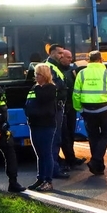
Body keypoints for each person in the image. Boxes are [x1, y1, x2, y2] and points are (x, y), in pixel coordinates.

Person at [72, 50, 107, 176]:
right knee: (106, 134)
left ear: (89, 60)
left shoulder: (81, 73)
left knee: (93, 137)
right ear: (101, 59)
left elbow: (76, 94)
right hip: (105, 109)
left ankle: (98, 168)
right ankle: (96, 160)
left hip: (87, 110)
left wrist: (80, 109)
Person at [31, 44, 70, 180]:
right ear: (52, 53)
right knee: (53, 142)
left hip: (58, 108)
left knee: (55, 141)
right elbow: (57, 87)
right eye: (59, 53)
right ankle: (52, 171)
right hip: (54, 111)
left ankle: (50, 171)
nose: (62, 56)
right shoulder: (49, 68)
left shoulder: (58, 67)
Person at [25, 63, 58, 192]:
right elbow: (28, 103)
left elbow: (42, 100)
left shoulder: (50, 88)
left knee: (46, 152)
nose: (36, 77)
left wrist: (37, 89)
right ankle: (40, 178)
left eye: (38, 74)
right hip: (34, 124)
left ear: (44, 75)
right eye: (35, 74)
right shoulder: (34, 88)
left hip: (46, 125)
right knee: (39, 153)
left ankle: (48, 180)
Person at [58, 48, 85, 170]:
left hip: (71, 106)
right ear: (61, 57)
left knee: (70, 133)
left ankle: (71, 158)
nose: (70, 60)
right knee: (63, 135)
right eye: (68, 57)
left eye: (71, 57)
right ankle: (67, 159)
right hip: (62, 107)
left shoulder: (72, 70)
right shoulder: (56, 70)